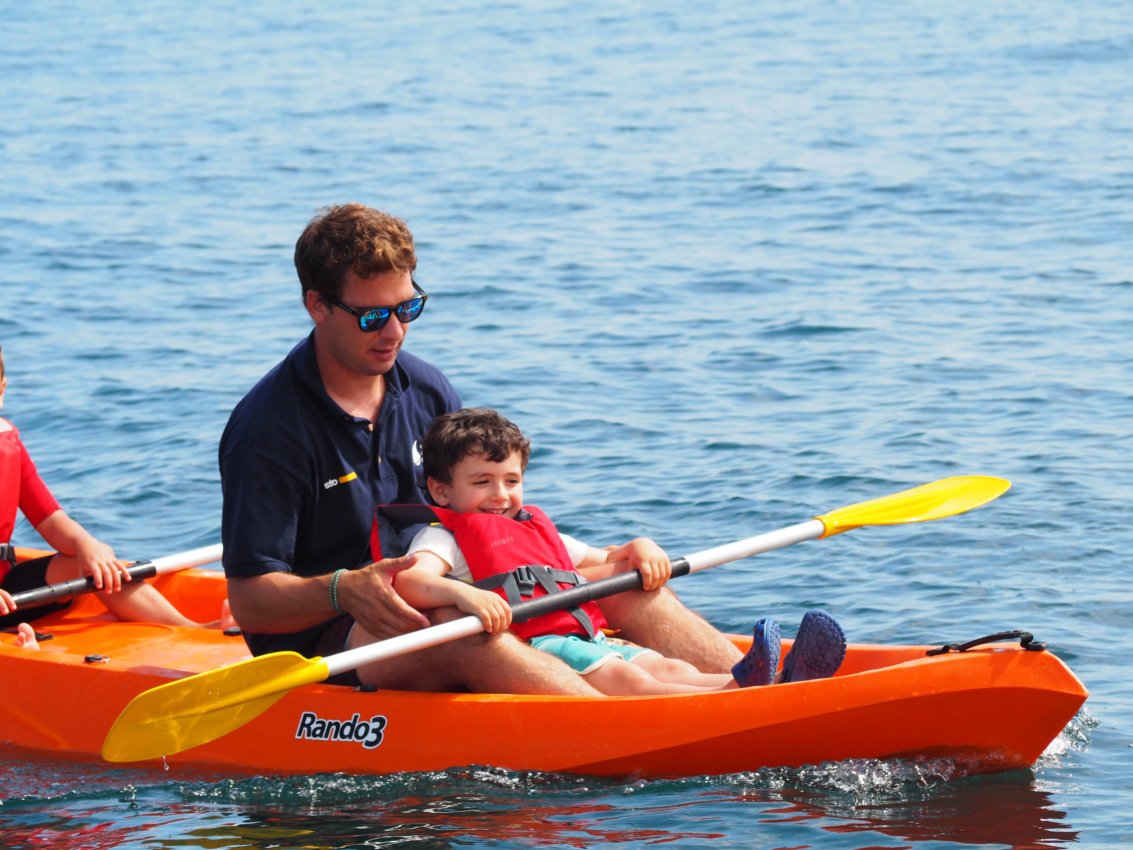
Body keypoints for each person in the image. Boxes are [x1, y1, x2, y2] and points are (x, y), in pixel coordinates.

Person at [218, 203, 841, 694]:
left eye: (408, 307)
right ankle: (632, 725)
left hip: (460, 586)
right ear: (317, 306)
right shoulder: (269, 430)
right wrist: (340, 589)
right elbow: (251, 602)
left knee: (626, 583)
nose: (396, 331)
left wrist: (611, 555)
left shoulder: (428, 388)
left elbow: (482, 508)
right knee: (459, 632)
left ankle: (764, 691)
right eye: (372, 316)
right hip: (339, 638)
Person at [390, 408, 845, 694]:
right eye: (482, 482)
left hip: (589, 638)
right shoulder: (442, 537)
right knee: (631, 681)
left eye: (512, 481)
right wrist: (464, 596)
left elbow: (598, 557)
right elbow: (411, 580)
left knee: (664, 665)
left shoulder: (531, 529)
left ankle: (754, 686)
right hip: (537, 649)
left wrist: (639, 546)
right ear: (441, 490)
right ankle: (740, 697)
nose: (501, 495)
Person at [0, 345, 229, 644]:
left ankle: (192, 630)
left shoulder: (9, 445)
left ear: (3, 388)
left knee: (90, 565)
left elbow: (50, 518)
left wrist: (87, 545)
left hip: (8, 589)